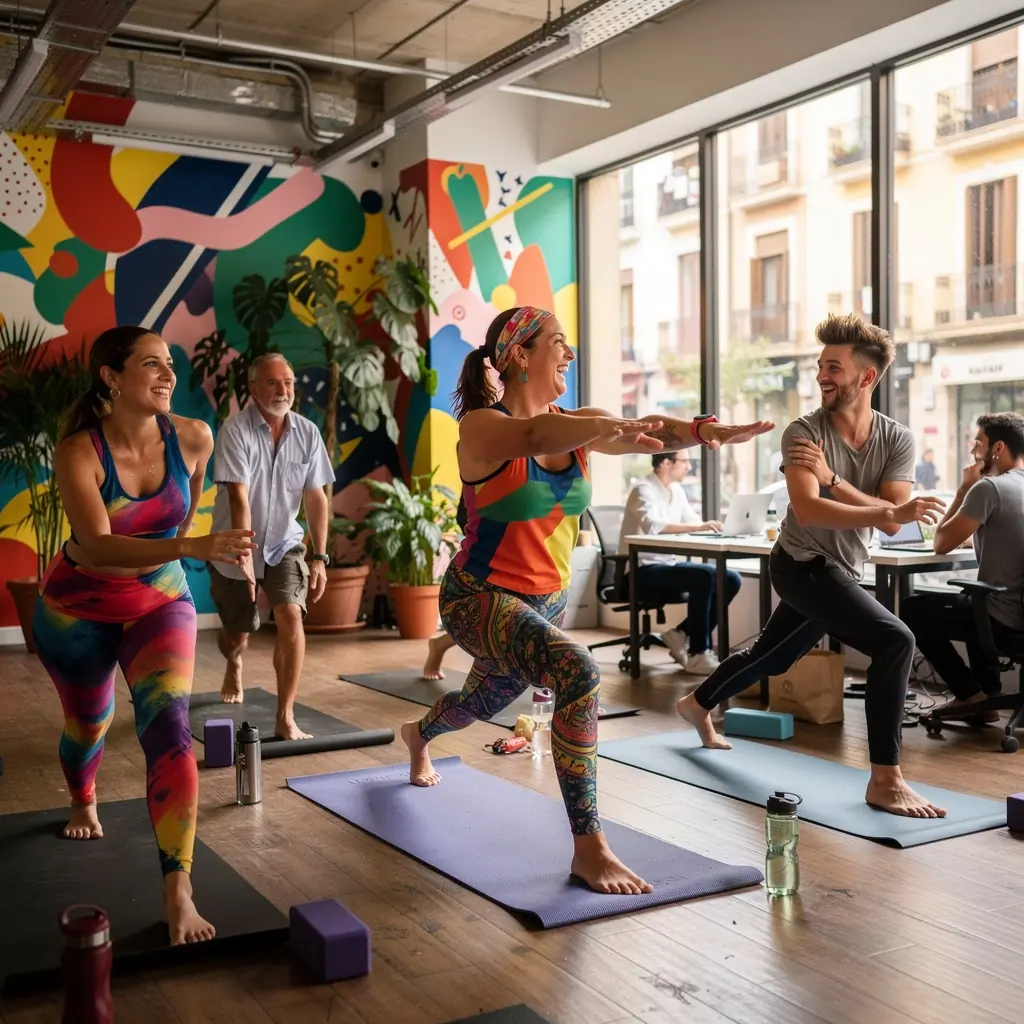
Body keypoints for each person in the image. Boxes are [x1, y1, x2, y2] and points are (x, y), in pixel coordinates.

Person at [399, 304, 772, 894]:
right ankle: (588, 847)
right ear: (520, 356)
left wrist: (702, 432)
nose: (569, 353)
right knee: (578, 670)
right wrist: (604, 429)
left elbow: (649, 428)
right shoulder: (481, 427)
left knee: (480, 700)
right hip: (477, 598)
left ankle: (419, 737)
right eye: (558, 342)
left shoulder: (582, 426)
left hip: (543, 603)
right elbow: (531, 434)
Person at [33, 326, 257, 944]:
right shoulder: (79, 451)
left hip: (159, 598)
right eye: (150, 364)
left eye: (170, 364)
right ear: (111, 376)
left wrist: (182, 555)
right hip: (78, 606)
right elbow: (100, 544)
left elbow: (174, 518)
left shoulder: (192, 436)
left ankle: (178, 890)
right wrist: (189, 546)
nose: (167, 374)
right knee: (89, 725)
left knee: (170, 729)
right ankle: (83, 795)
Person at [676, 313, 948, 819]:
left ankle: (697, 703)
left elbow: (892, 521)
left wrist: (835, 479)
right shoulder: (804, 432)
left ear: (867, 377)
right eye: (821, 366)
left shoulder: (897, 440)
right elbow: (810, 509)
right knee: (897, 640)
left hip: (841, 570)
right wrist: (867, 502)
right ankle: (885, 780)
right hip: (799, 564)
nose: (823, 376)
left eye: (834, 367)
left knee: (773, 657)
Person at [209, 353, 335, 740]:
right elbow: (238, 499)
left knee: (291, 617)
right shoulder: (235, 430)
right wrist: (244, 558)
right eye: (272, 383)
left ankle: (285, 716)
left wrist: (319, 557)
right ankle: (234, 660)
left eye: (289, 382)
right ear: (252, 389)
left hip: (284, 543)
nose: (283, 390)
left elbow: (316, 498)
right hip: (237, 543)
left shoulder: (308, 433)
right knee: (237, 632)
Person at [902, 413, 1024, 719]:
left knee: (914, 609)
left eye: (977, 444)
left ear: (997, 448)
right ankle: (989, 697)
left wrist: (964, 489)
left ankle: (972, 696)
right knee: (973, 602)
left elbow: (941, 542)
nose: (972, 453)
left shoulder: (989, 489)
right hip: (1019, 612)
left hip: (1003, 618)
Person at [618, 450, 742, 674]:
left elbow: (694, 522)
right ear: (666, 462)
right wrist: (697, 527)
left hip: (668, 565)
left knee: (731, 578)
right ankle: (698, 653)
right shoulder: (642, 490)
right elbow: (653, 525)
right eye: (685, 461)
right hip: (641, 571)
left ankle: (680, 634)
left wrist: (717, 528)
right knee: (703, 576)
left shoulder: (676, 490)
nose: (689, 467)